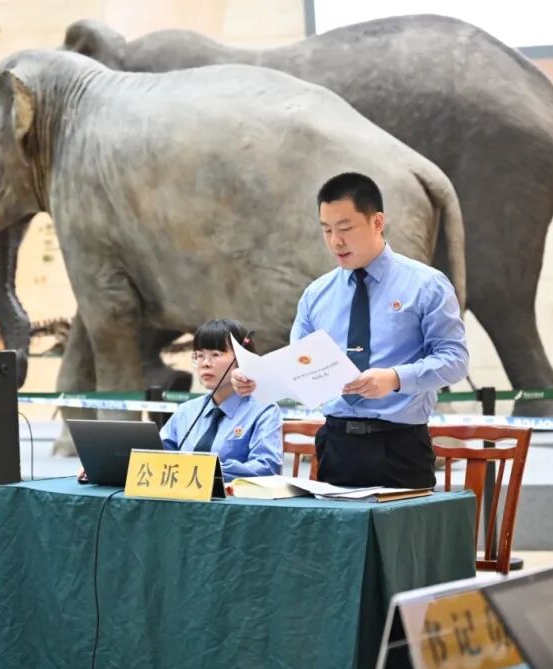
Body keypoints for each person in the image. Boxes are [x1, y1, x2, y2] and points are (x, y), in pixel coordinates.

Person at [232, 172, 469, 488]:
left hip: (400, 446)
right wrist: (257, 380)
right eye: (327, 230)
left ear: (377, 222)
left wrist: (394, 378)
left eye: (345, 229)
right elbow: (299, 370)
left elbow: (455, 360)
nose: (335, 241)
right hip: (336, 445)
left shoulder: (426, 285)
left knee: (400, 523)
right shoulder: (316, 295)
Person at [160, 319, 283, 482]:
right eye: (199, 355)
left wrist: (207, 470)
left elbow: (267, 467)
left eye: (216, 354)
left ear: (242, 359)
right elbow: (157, 454)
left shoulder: (264, 410)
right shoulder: (186, 411)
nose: (205, 363)